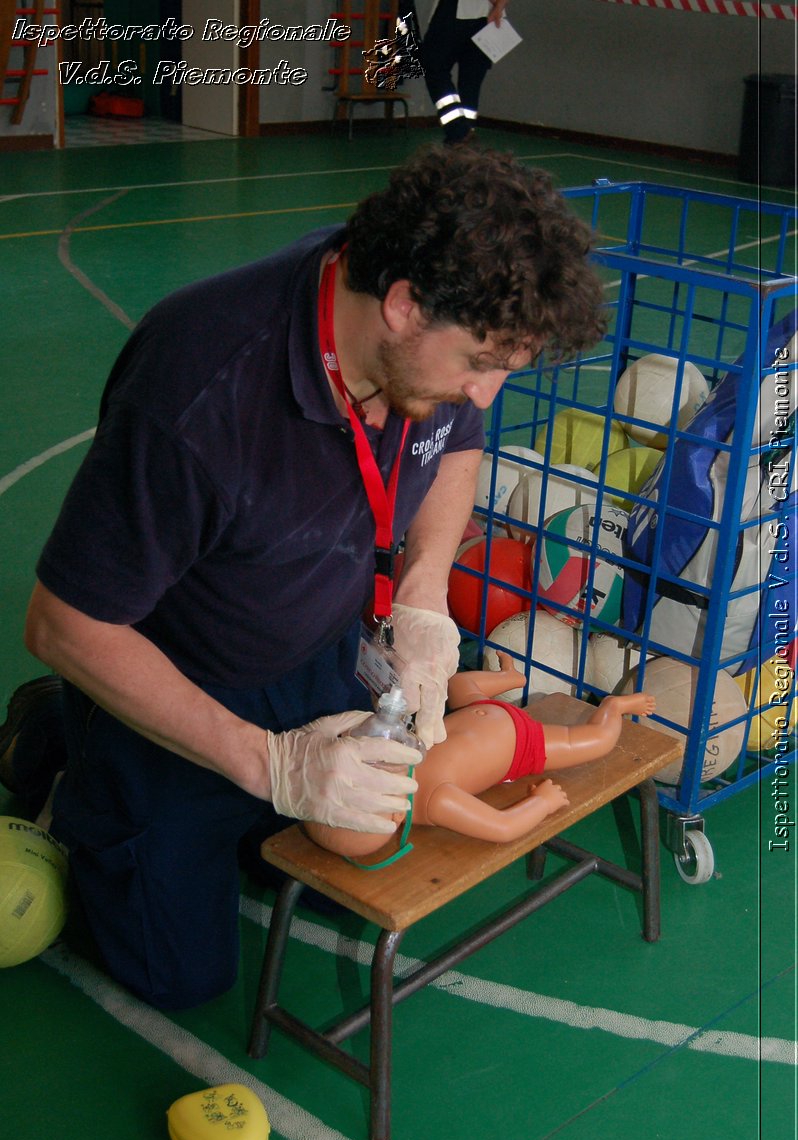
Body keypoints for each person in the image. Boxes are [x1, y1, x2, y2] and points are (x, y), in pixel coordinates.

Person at [1, 144, 605, 1010]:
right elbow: (65, 625)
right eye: (480, 363)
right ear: (400, 308)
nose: (485, 393)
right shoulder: (197, 393)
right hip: (179, 675)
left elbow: (458, 445)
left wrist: (427, 590)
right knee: (181, 979)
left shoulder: (437, 315)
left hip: (316, 640)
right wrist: (267, 763)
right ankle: (59, 744)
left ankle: (222, 789)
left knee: (332, 851)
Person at [306, 653, 656, 857]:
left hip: (478, 709)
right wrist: (543, 803)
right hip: (523, 744)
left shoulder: (392, 753)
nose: (377, 763)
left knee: (456, 684)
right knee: (597, 741)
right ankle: (615, 706)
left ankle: (509, 678)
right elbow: (502, 827)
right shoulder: (434, 802)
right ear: (396, 817)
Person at [421, 0, 509, 145]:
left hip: (456, 12)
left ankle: (459, 133)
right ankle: (466, 136)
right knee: (471, 82)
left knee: (435, 67)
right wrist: (500, 5)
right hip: (489, 15)